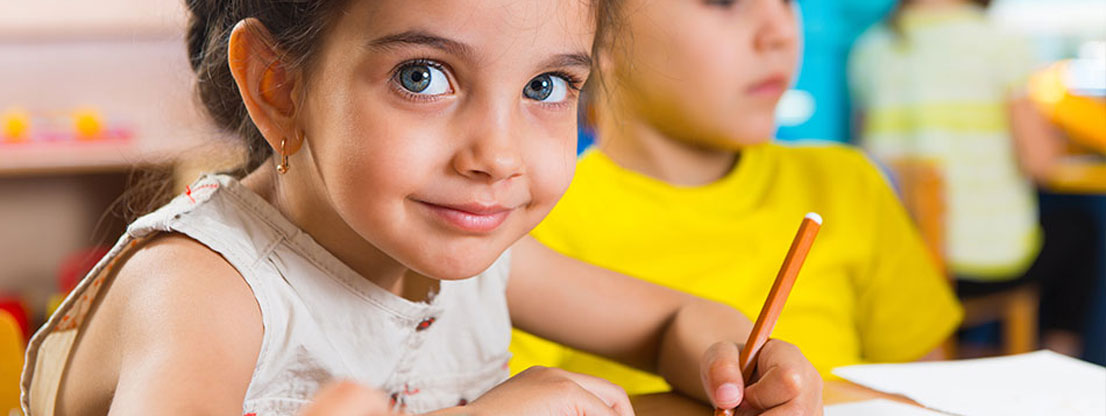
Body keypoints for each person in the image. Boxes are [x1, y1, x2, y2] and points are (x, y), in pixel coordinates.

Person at [20, 0, 822, 415]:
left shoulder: (476, 258)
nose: (499, 156)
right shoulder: (205, 287)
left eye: (546, 88)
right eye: (422, 77)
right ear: (279, 84)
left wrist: (739, 362)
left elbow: (671, 323)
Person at [509, 0, 963, 395]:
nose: (781, 33)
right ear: (591, 31)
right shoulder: (523, 222)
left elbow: (927, 387)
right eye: (724, 1)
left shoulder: (848, 185)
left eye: (787, 0)